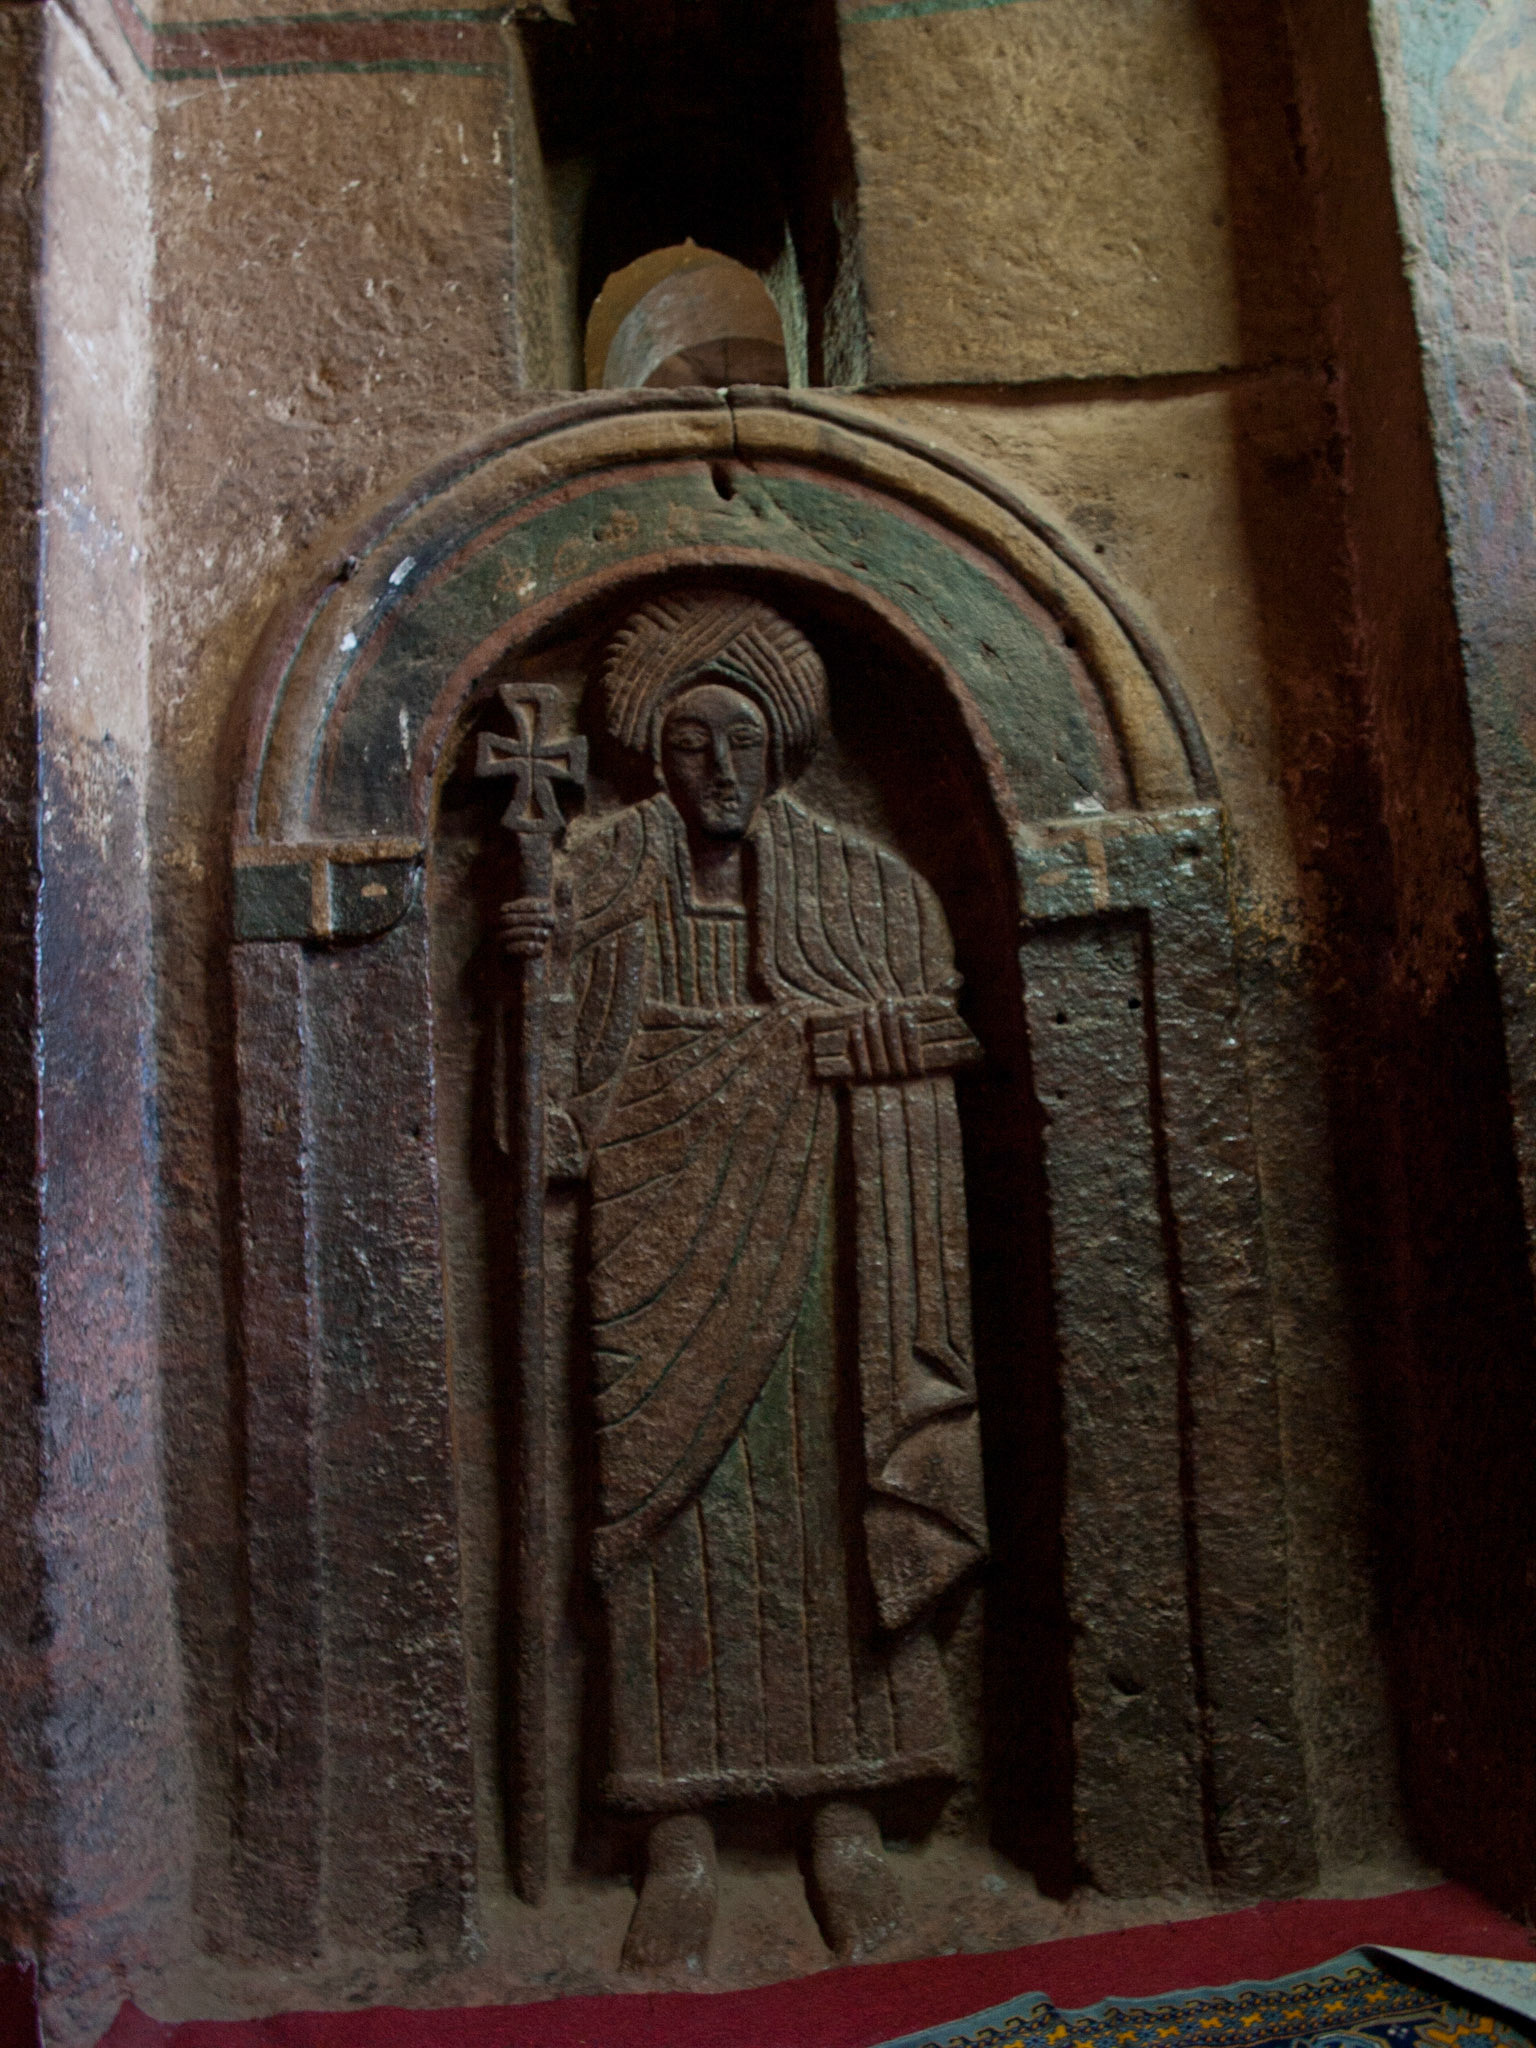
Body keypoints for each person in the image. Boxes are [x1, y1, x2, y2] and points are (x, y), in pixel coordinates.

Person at [501, 590, 988, 1969]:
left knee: (835, 1514)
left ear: (785, 752)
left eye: (744, 742)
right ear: (653, 754)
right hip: (656, 1261)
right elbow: (543, 1127)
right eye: (692, 742)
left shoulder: (864, 889)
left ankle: (845, 1817)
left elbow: (931, 1035)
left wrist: (831, 1057)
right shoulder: (593, 880)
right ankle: (678, 1836)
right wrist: (536, 982)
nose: (720, 769)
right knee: (666, 1530)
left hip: (831, 1255)